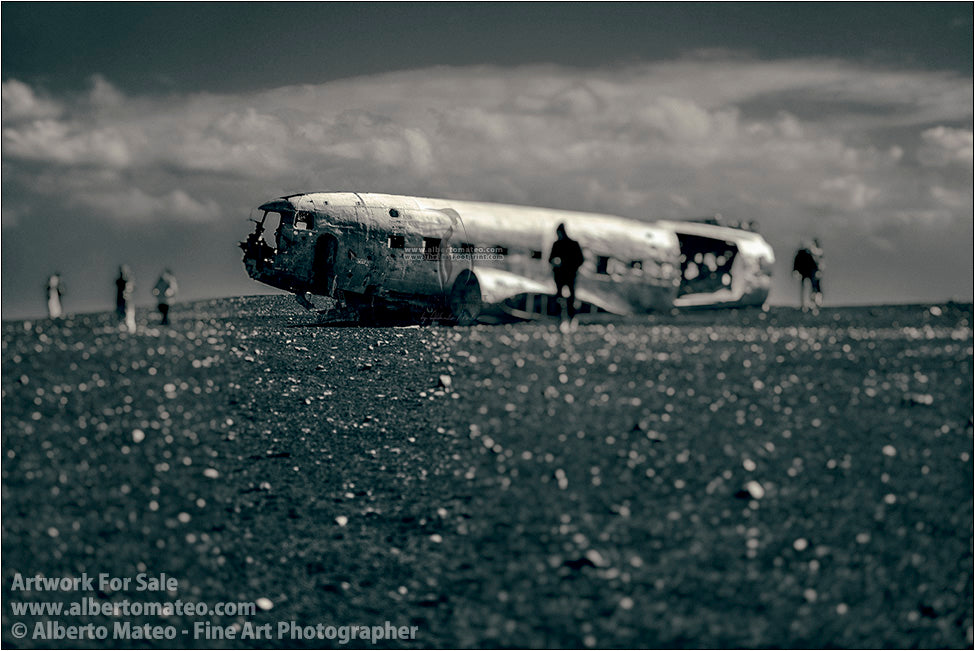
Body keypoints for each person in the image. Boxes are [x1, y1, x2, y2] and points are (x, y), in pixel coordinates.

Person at [548, 223, 585, 321]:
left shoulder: (565, 244)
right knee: (564, 295)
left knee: (566, 295)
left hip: (567, 274)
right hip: (564, 274)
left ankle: (566, 314)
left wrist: (569, 266)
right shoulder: (561, 244)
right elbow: (550, 259)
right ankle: (564, 314)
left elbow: (580, 259)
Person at [792, 241, 823, 312]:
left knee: (807, 289)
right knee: (812, 288)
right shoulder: (808, 254)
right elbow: (813, 264)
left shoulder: (800, 255)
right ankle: (809, 304)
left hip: (806, 273)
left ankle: (805, 304)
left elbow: (796, 264)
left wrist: (795, 271)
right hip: (809, 273)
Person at [115, 265, 136, 331]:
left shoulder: (129, 281)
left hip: (127, 301)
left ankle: (130, 329)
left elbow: (130, 289)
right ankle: (122, 328)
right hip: (121, 301)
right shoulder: (121, 281)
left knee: (128, 315)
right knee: (121, 314)